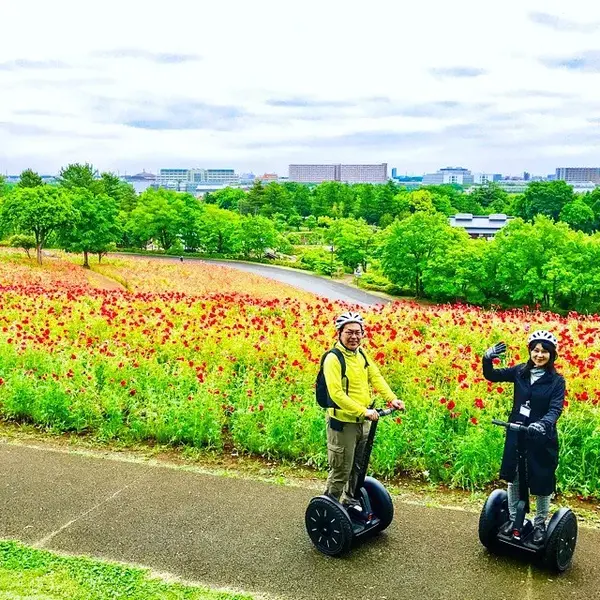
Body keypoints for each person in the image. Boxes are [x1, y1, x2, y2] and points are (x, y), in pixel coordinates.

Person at [482, 330, 565, 545]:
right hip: (517, 433)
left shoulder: (556, 381)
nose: (539, 355)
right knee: (514, 478)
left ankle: (539, 525)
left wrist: (542, 424)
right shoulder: (520, 371)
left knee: (541, 482)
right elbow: (492, 376)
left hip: (541, 438)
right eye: (535, 350)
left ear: (552, 355)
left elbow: (555, 409)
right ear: (530, 351)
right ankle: (512, 519)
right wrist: (487, 358)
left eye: (544, 351)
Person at [323, 311, 405, 513]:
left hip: (363, 422)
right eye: (349, 332)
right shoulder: (333, 359)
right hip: (343, 423)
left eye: (358, 332)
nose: (354, 337)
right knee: (341, 468)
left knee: (358, 466)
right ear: (339, 333)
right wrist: (363, 411)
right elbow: (336, 394)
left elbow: (375, 376)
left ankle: (350, 500)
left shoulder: (361, 354)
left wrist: (391, 398)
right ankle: (329, 508)